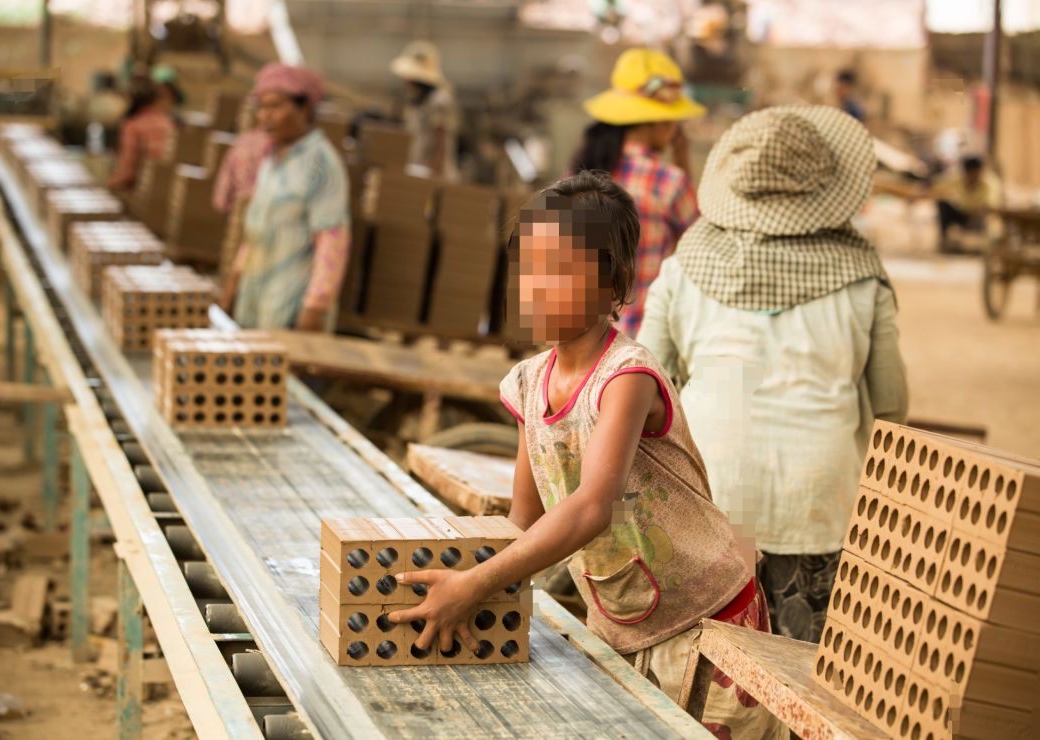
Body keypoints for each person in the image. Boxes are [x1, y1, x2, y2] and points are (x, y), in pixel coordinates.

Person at [388, 171, 784, 739]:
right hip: (619, 620)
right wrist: (465, 579)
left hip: (706, 620)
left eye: (561, 271)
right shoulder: (528, 383)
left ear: (614, 284)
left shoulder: (627, 377)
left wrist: (475, 587)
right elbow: (522, 521)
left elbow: (593, 505)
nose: (537, 288)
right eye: (527, 269)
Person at [636, 106, 908, 643]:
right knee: (806, 668)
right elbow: (892, 405)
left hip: (709, 500)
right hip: (819, 501)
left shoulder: (686, 264)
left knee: (714, 679)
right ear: (827, 187)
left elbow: (645, 384)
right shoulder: (862, 275)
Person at [574, 48, 704, 338]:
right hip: (639, 341)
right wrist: (682, 160)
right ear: (658, 121)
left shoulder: (579, 175)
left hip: (578, 340)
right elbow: (700, 249)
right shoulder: (669, 182)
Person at [226, 63, 351, 332]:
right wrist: (234, 281)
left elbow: (332, 238)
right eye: (261, 107)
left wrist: (315, 306)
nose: (264, 116)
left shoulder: (320, 162)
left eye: (275, 106)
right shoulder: (272, 159)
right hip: (256, 297)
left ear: (304, 109)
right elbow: (257, 228)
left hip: (291, 305)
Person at [390, 41, 459, 181]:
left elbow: (441, 142)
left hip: (436, 177)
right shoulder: (417, 104)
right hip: (419, 172)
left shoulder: (439, 102)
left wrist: (433, 178)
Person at [108, 77, 177, 193]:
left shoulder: (133, 126)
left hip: (141, 193)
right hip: (165, 192)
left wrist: (110, 185)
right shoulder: (168, 123)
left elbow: (127, 169)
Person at [930, 155, 1000, 250]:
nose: (972, 176)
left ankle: (983, 247)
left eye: (975, 172)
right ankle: (944, 240)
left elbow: (990, 206)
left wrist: (975, 216)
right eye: (969, 173)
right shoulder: (957, 178)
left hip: (978, 216)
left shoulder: (989, 183)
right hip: (963, 212)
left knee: (985, 218)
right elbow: (936, 185)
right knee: (943, 203)